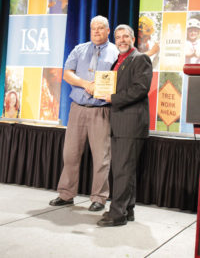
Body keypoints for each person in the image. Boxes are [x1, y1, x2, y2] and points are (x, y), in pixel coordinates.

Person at [49, 15, 118, 211]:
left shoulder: (115, 52)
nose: (96, 31)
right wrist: (85, 84)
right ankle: (66, 194)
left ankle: (99, 198)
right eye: (93, 28)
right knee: (70, 154)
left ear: (107, 30)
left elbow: (120, 77)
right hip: (77, 109)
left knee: (101, 157)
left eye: (100, 28)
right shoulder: (79, 49)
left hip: (101, 110)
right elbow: (67, 74)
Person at [97, 24, 152, 226]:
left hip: (131, 123)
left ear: (133, 39)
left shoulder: (140, 59)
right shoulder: (117, 61)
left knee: (122, 169)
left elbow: (140, 89)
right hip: (119, 121)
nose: (121, 40)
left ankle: (117, 214)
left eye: (125, 36)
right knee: (126, 169)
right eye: (118, 37)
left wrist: (112, 98)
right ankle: (127, 210)